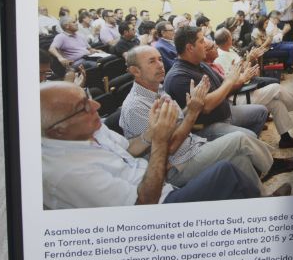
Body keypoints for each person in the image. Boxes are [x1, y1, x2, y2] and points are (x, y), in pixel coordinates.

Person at [40, 81, 260, 208]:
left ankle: (259, 210)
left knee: (239, 160)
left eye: (88, 97)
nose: (96, 105)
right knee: (226, 170)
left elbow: (127, 150)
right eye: (83, 107)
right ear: (57, 129)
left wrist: (152, 133)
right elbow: (144, 204)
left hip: (163, 174)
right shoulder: (66, 172)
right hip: (157, 204)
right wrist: (160, 141)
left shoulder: (90, 127)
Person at [119, 46, 293, 191]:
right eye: (152, 61)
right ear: (135, 70)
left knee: (241, 160)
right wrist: (194, 111)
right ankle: (273, 165)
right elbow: (168, 149)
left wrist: (190, 107)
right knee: (241, 139)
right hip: (176, 166)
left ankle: (261, 200)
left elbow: (177, 121)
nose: (160, 64)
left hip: (192, 145)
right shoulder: (136, 106)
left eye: (159, 59)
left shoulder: (157, 89)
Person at [163, 25, 270, 140]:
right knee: (250, 137)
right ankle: (247, 148)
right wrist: (230, 81)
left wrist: (239, 78)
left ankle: (243, 152)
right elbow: (206, 106)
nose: (205, 45)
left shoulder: (201, 64)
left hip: (225, 113)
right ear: (190, 48)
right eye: (201, 41)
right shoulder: (178, 77)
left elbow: (224, 86)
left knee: (261, 112)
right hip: (205, 127)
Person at [211, 29, 293, 148]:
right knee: (276, 87)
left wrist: (250, 61)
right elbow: (230, 82)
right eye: (211, 47)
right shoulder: (220, 59)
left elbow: (240, 70)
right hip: (235, 97)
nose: (214, 47)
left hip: (243, 87)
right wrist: (245, 72)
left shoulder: (225, 54)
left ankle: (285, 139)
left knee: (277, 103)